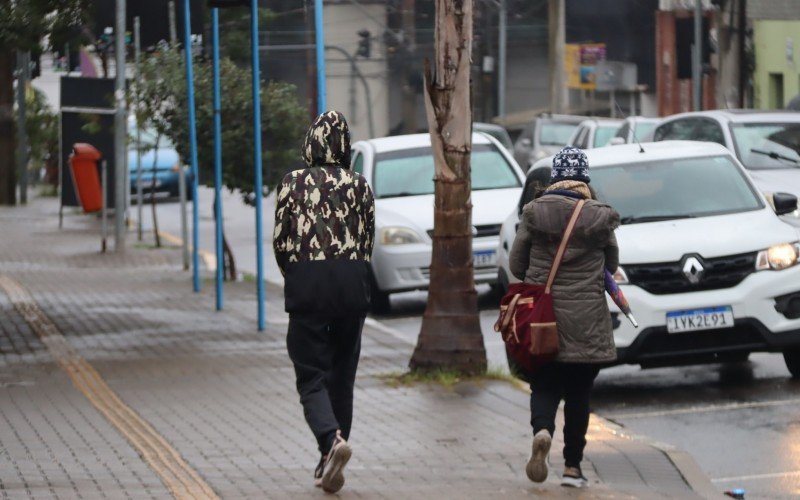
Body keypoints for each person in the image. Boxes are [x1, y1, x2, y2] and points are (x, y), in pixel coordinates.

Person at [273, 111, 375, 493]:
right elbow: (367, 241)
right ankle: (330, 455)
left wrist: (297, 277)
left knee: (312, 375)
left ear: (310, 143)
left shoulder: (292, 183)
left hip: (309, 286)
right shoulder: (360, 185)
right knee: (341, 376)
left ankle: (331, 442)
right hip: (352, 286)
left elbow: (282, 243)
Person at [508, 146, 619, 488]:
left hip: (545, 318)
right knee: (578, 393)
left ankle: (542, 431)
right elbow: (611, 266)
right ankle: (572, 468)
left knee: (544, 384)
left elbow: (516, 265)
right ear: (584, 178)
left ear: (555, 177)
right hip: (586, 321)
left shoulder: (534, 212)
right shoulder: (600, 216)